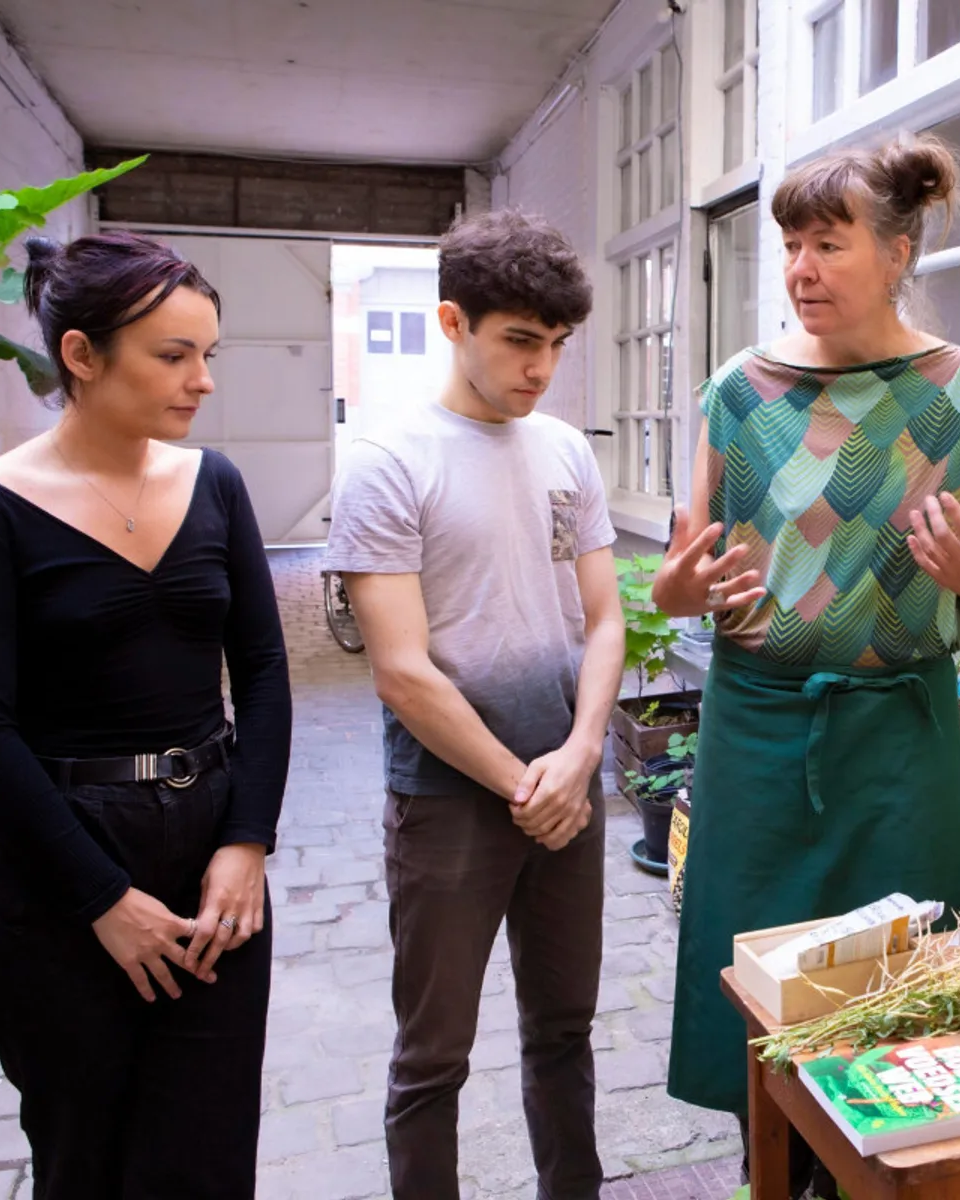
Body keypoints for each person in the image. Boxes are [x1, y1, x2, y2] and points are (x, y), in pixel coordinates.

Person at [657, 136, 960, 1186]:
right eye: (790, 245)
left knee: (903, 980)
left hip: (899, 735)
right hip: (759, 734)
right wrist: (682, 591)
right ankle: (771, 1167)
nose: (801, 269)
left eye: (828, 243)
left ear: (900, 249)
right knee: (758, 974)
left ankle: (890, 1170)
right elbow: (682, 575)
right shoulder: (741, 393)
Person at [0, 232, 291, 1199]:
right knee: (90, 1158)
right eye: (173, 356)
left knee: (208, 1154)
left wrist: (246, 840)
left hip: (209, 858)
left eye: (210, 354)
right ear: (81, 356)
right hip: (49, 875)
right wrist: (100, 899)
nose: (201, 381)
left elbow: (259, 668)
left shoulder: (213, 483)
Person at [325, 209, 622, 1200]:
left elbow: (605, 617)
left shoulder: (566, 453)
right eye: (520, 342)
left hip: (567, 789)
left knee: (564, 1033)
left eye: (557, 345)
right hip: (451, 799)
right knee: (432, 1059)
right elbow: (401, 670)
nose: (541, 368)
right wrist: (520, 783)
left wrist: (579, 755)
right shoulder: (387, 460)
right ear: (453, 322)